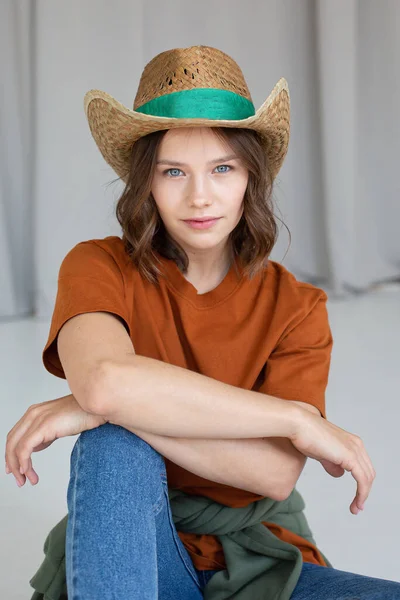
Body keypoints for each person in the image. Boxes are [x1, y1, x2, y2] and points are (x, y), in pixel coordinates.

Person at [5, 45, 399, 599]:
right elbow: (104, 381)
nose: (199, 196)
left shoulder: (297, 305)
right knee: (113, 444)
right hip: (136, 562)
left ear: (249, 178)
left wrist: (94, 408)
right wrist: (295, 418)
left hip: (261, 564)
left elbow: (273, 474)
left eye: (221, 168)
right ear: (147, 182)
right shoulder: (98, 265)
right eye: (174, 171)